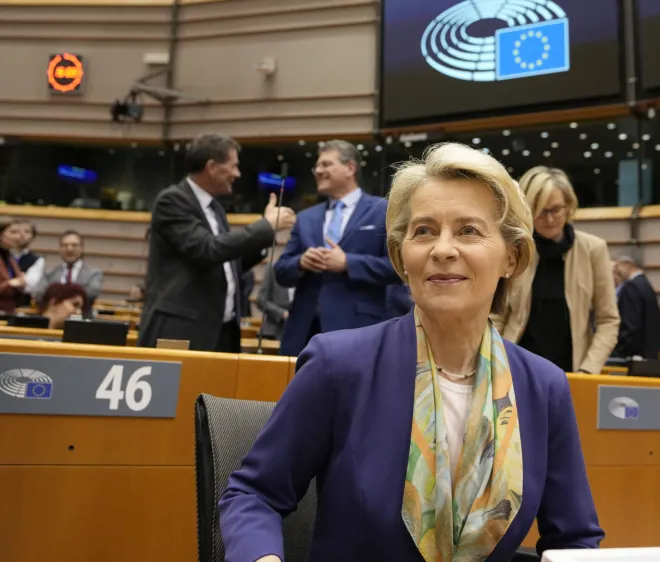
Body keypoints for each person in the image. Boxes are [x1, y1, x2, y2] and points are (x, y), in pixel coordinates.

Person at [219, 143, 603, 562]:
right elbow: (254, 494)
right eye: (423, 231)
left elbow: (574, 539)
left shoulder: (544, 386)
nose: (442, 249)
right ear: (403, 256)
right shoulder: (339, 365)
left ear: (511, 257)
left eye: (468, 230)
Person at [138, 133, 296, 352]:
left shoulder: (216, 209)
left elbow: (228, 262)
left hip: (221, 333)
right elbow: (207, 249)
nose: (237, 174)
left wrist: (263, 238)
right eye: (233, 166)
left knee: (211, 389)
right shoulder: (172, 200)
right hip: (182, 331)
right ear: (212, 166)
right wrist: (265, 225)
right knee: (186, 388)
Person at [274, 140, 400, 357]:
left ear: (350, 168)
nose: (318, 171)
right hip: (303, 332)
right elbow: (281, 271)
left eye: (326, 164)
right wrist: (301, 262)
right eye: (317, 167)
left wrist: (348, 263)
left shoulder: (383, 211)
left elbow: (398, 268)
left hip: (359, 329)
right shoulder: (305, 218)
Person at [494, 166, 619, 374]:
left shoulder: (593, 250)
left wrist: (588, 369)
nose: (550, 219)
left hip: (572, 372)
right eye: (541, 211)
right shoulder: (513, 251)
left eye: (556, 209)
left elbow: (608, 320)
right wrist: (495, 361)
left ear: (568, 206)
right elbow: (496, 314)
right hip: (515, 369)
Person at [612, 248, 660, 360]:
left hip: (632, 357)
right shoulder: (646, 285)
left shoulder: (631, 287)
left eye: (617, 266)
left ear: (627, 264)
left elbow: (630, 327)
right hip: (649, 356)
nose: (617, 271)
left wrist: (617, 354)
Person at [34, 230, 103, 306]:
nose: (69, 249)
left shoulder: (93, 273)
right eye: (65, 245)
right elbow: (38, 293)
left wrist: (60, 296)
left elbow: (93, 292)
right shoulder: (49, 273)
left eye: (74, 245)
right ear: (59, 249)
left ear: (82, 248)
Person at [255, 266, 293, 340]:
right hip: (275, 329)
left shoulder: (310, 272)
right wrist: (282, 313)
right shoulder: (273, 269)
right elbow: (261, 300)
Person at [0, 221, 27, 313]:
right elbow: (9, 283)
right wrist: (9, 284)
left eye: (18, 233)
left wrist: (21, 282)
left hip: (9, 310)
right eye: (13, 232)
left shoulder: (10, 258)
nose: (17, 237)